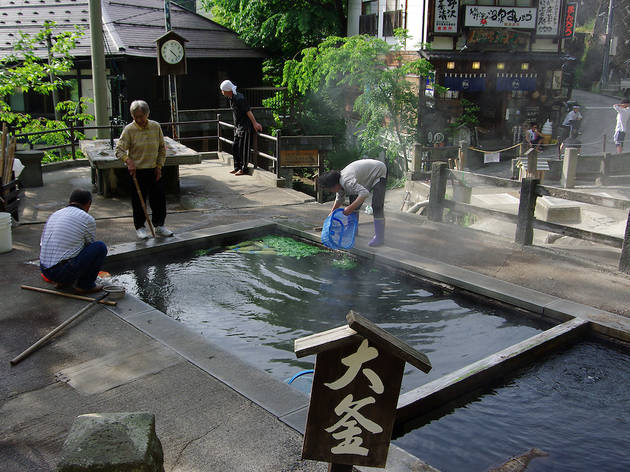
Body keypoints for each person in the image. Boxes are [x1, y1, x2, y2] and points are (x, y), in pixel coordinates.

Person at [115, 100, 173, 240]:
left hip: (153, 169)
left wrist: (159, 166)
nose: (139, 120)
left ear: (147, 114)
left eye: (142, 116)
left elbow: (161, 149)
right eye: (136, 117)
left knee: (158, 199)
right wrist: (128, 161)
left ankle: (159, 226)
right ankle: (140, 227)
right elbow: (119, 150)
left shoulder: (155, 127)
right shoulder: (129, 129)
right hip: (137, 171)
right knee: (138, 201)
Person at [40, 189, 107, 294]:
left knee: (71, 248)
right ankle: (85, 285)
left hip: (44, 270)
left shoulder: (55, 214)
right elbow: (89, 246)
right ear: (88, 204)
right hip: (60, 272)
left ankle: (62, 282)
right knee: (99, 247)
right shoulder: (87, 218)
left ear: (70, 201)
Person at [319, 159, 388, 247]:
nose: (330, 191)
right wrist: (331, 213)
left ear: (334, 185)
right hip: (364, 175)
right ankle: (353, 231)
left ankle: (379, 237)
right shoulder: (339, 182)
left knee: (377, 206)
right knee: (354, 203)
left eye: (329, 189)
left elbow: (364, 193)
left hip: (379, 170)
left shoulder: (347, 181)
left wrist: (350, 208)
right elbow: (340, 198)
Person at [219, 80, 262, 175]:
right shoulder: (231, 98)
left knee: (243, 148)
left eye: (223, 90)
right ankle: (237, 166)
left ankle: (244, 168)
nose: (222, 92)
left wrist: (255, 123)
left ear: (228, 90)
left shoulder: (239, 98)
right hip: (238, 126)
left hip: (245, 126)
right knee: (235, 146)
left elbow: (248, 111)